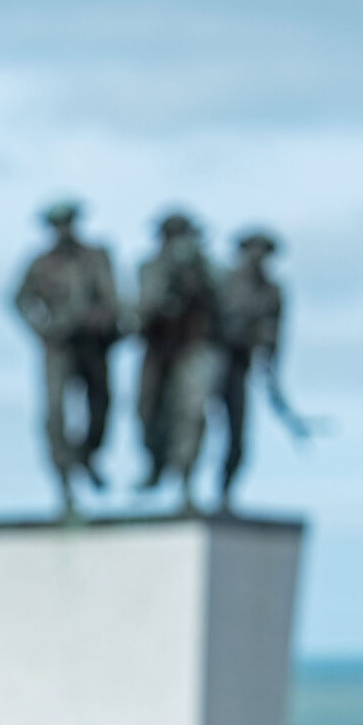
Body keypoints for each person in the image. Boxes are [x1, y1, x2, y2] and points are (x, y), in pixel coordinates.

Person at [10, 200, 123, 516]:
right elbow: (18, 300)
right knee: (56, 416)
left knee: (99, 407)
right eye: (57, 225)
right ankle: (64, 481)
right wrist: (43, 328)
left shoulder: (96, 258)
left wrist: (101, 317)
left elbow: (113, 299)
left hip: (91, 345)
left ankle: (88, 455)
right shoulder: (41, 264)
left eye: (67, 223)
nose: (63, 231)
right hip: (58, 347)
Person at [133, 210, 221, 508]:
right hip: (158, 351)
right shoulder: (150, 268)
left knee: (191, 416)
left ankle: (185, 477)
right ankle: (155, 464)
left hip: (193, 349)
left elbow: (220, 303)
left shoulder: (206, 269)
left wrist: (196, 272)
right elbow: (142, 311)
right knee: (148, 411)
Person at [215, 228, 289, 512]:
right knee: (190, 422)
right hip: (214, 360)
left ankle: (225, 492)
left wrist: (272, 379)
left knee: (237, 435)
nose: (257, 260)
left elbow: (275, 339)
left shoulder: (273, 293)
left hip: (240, 367)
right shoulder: (223, 282)